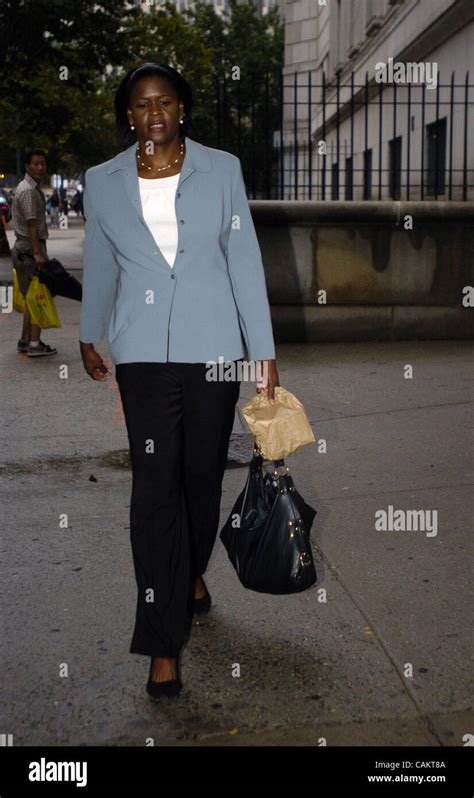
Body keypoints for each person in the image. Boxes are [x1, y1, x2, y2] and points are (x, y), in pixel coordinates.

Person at [79, 62, 279, 699]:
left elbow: (243, 260)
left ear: (182, 109)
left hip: (215, 350)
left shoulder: (221, 170)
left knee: (199, 479)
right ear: (128, 115)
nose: (154, 112)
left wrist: (263, 352)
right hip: (141, 354)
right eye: (141, 105)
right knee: (154, 491)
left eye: (164, 101)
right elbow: (103, 260)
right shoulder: (103, 181)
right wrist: (89, 333)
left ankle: (191, 570)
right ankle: (161, 643)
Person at [11, 150, 57, 357]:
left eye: (43, 164)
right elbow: (31, 224)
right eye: (36, 164)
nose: (40, 168)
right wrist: (38, 252)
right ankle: (35, 343)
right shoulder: (28, 191)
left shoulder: (28, 187)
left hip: (25, 247)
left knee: (30, 295)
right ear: (27, 166)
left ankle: (25, 339)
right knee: (38, 295)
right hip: (30, 248)